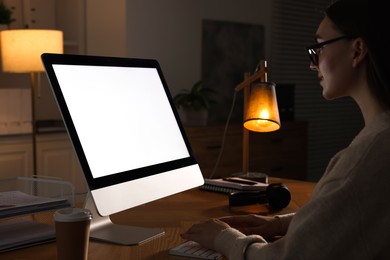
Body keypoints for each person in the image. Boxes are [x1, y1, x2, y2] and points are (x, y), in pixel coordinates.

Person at [181, 0, 390, 258]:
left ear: (357, 51)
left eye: (319, 47)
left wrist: (222, 237)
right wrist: (279, 224)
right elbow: (348, 214)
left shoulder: (365, 159)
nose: (311, 64)